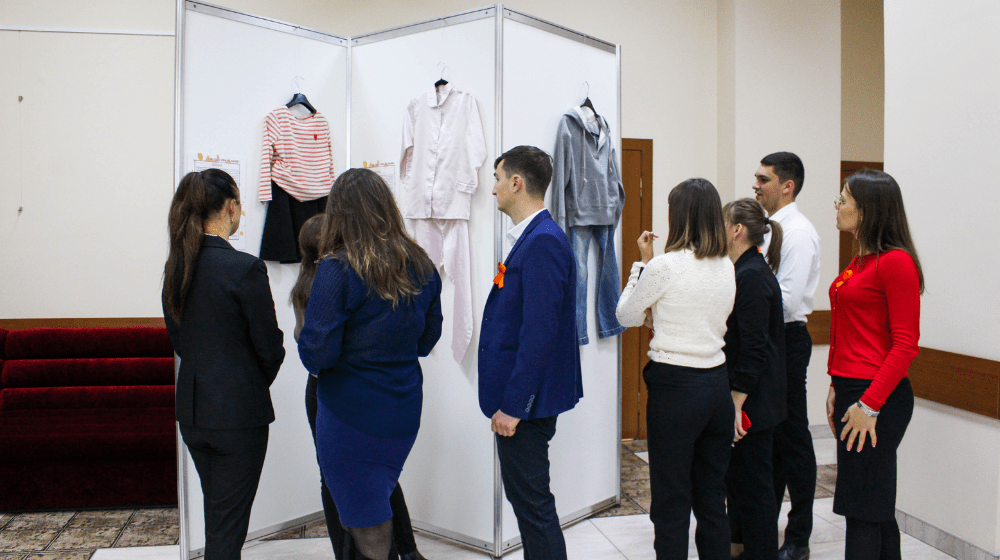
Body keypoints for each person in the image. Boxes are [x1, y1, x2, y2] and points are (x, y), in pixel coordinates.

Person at [298, 168, 442, 560]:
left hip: (350, 414)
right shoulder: (423, 264)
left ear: (339, 213)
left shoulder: (338, 268)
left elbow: (316, 354)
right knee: (373, 504)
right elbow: (427, 341)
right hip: (403, 409)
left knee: (366, 526)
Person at [162, 168, 286, 560]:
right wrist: (248, 380)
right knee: (228, 526)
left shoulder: (175, 268)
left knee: (219, 516)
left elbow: (179, 342)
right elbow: (270, 348)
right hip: (238, 416)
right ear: (231, 207)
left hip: (194, 414)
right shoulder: (244, 268)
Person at [617, 178, 735, 560]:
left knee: (671, 501)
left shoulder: (665, 266)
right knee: (712, 500)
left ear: (678, 216)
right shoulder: (726, 266)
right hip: (717, 386)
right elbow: (694, 318)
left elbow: (627, 314)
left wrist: (640, 264)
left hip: (676, 390)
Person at [479, 145, 582, 560]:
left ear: (516, 183)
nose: (494, 189)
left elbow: (540, 333)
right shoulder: (534, 238)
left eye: (497, 179)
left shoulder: (543, 242)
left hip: (527, 405)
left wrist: (514, 406)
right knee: (529, 505)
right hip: (524, 399)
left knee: (534, 508)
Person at [827, 169, 922, 560]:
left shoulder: (895, 263)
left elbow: (905, 346)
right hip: (853, 388)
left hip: (877, 396)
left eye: (844, 200)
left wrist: (869, 405)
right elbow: (848, 332)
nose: (837, 205)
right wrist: (835, 385)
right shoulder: (861, 261)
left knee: (863, 505)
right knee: (873, 504)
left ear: (866, 211)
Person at [753, 151, 821, 560]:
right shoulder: (768, 228)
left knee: (794, 439)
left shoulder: (797, 233)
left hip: (786, 338)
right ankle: (765, 529)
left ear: (787, 186)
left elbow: (784, 298)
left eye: (764, 179)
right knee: (771, 437)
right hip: (765, 338)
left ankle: (800, 536)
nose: (756, 184)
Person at [721, 198, 787, 560]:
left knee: (756, 492)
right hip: (752, 399)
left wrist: (737, 399)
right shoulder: (744, 270)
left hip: (754, 403)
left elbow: (755, 348)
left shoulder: (752, 276)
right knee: (742, 487)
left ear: (736, 231)